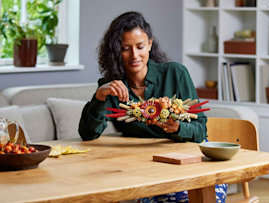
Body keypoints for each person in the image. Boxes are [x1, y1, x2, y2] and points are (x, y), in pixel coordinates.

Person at [78, 11, 227, 202]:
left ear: (149, 44)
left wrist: (178, 128)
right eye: (125, 48)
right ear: (117, 51)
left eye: (140, 46)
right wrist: (99, 97)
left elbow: (200, 130)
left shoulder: (175, 73)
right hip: (145, 168)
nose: (134, 55)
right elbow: (88, 134)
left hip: (191, 162)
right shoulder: (111, 88)